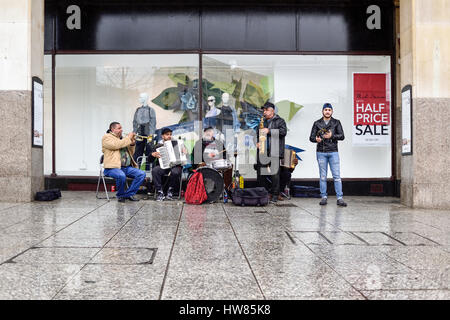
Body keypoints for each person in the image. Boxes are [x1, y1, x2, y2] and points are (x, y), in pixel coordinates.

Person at [309, 103, 347, 207]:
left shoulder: (336, 122)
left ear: (332, 111)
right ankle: (323, 197)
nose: (327, 111)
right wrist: (315, 139)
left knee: (337, 176)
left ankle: (340, 198)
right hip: (321, 152)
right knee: (322, 176)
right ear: (322, 111)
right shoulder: (317, 123)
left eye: (329, 110)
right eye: (325, 109)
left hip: (333, 151)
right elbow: (311, 137)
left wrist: (332, 135)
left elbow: (342, 136)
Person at [102, 122, 146, 202]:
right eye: (119, 128)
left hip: (126, 167)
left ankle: (128, 194)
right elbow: (116, 145)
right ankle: (121, 195)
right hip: (112, 168)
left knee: (141, 174)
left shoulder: (122, 138)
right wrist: (128, 138)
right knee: (121, 175)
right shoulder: (107, 137)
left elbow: (131, 153)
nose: (121, 130)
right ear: (112, 129)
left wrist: (132, 144)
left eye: (121, 128)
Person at [256, 102, 287, 204]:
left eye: (266, 110)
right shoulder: (262, 121)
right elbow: (258, 134)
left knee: (275, 174)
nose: (264, 112)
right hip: (263, 151)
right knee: (261, 174)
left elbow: (283, 132)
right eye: (263, 110)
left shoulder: (280, 121)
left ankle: (275, 194)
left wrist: (269, 131)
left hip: (274, 150)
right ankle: (263, 193)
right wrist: (257, 142)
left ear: (272, 111)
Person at [150, 127, 187, 201]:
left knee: (175, 172)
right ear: (162, 136)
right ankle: (160, 192)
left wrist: (185, 151)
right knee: (155, 170)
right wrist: (152, 155)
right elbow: (150, 160)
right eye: (167, 134)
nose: (169, 136)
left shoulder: (178, 143)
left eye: (170, 134)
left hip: (176, 165)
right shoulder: (158, 146)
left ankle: (170, 191)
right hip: (164, 166)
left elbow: (186, 155)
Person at [132, 93, 157, 170]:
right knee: (137, 152)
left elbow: (153, 123)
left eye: (141, 97)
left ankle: (148, 170)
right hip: (140, 132)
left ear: (145, 98)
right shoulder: (138, 110)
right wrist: (134, 132)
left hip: (148, 132)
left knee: (149, 152)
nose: (139, 98)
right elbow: (135, 122)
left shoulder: (151, 110)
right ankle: (135, 169)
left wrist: (151, 135)